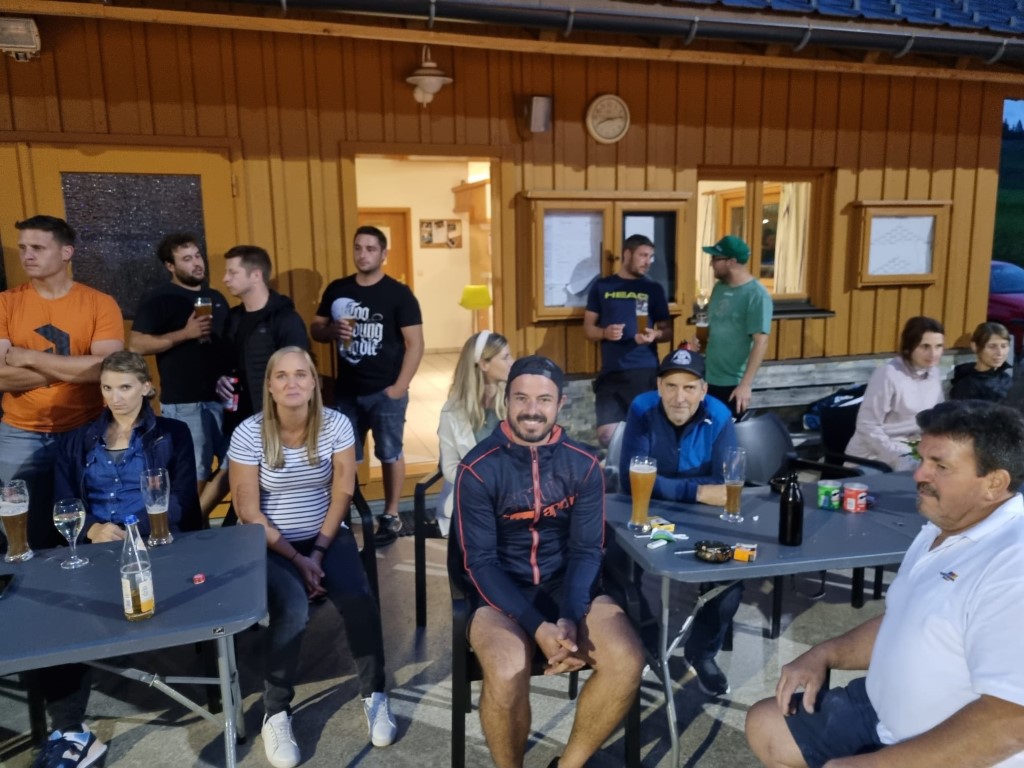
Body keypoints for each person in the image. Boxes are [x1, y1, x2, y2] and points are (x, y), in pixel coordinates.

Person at [745, 399, 1024, 768]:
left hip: (954, 749)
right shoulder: (943, 526)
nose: (919, 474)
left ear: (994, 483)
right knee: (767, 724)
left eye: (940, 466)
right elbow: (909, 617)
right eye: (922, 459)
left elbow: (1012, 721)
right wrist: (825, 653)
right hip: (878, 712)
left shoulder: (1013, 564)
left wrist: (875, 765)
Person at [455, 355, 644, 768]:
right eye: (521, 398)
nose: (532, 410)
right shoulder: (477, 469)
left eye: (543, 399)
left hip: (567, 584)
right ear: (506, 401)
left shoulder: (584, 464)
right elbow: (480, 563)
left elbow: (587, 550)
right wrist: (537, 625)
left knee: (627, 660)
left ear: (560, 404)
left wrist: (571, 616)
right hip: (500, 591)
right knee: (506, 670)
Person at [30, 350, 200, 768]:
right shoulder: (78, 440)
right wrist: (91, 528)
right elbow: (64, 502)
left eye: (125, 387)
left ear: (146, 387)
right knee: (59, 616)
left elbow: (181, 500)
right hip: (96, 547)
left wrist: (137, 529)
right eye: (107, 388)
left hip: (154, 545)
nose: (115, 397)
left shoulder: (172, 433)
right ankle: (70, 731)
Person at [228, 347, 396, 768]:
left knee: (358, 597)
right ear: (269, 385)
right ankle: (275, 712)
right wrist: (297, 559)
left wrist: (318, 551)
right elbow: (248, 512)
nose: (292, 383)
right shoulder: (248, 433)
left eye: (301, 374)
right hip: (270, 542)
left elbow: (343, 491)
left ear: (314, 383)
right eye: (282, 376)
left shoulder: (337, 424)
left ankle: (375, 693)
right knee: (293, 610)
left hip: (325, 535)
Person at [618, 347, 742, 696]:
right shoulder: (642, 408)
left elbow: (725, 485)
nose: (679, 397)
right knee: (628, 569)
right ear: (659, 387)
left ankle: (702, 653)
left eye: (689, 388)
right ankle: (643, 645)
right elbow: (631, 479)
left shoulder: (719, 415)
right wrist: (697, 491)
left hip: (702, 518)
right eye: (671, 386)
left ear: (703, 390)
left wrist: (669, 485)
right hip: (645, 510)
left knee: (732, 578)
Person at [0, 215, 124, 552]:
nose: (27, 255)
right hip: (20, 433)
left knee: (90, 523)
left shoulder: (99, 303)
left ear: (66, 252)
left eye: (38, 248)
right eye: (23, 248)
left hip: (85, 429)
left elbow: (106, 369)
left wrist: (30, 357)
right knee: (21, 533)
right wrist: (75, 366)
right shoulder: (6, 303)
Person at [310, 225, 424, 542]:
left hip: (386, 390)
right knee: (345, 458)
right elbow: (316, 328)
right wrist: (331, 331)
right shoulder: (338, 289)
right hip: (347, 391)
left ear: (383, 254)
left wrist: (399, 388)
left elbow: (415, 344)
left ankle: (391, 514)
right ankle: (343, 513)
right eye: (358, 248)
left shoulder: (399, 294)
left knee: (390, 453)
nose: (363, 254)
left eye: (371, 249)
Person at [199, 245, 309, 521]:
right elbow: (225, 362)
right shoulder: (234, 318)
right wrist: (221, 379)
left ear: (256, 275)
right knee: (235, 475)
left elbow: (301, 373)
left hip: (274, 421)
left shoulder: (284, 319)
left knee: (232, 473)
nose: (225, 279)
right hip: (238, 417)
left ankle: (189, 526)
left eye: (232, 272)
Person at [130, 233, 230, 495]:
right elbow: (136, 345)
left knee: (235, 464)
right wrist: (185, 334)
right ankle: (186, 519)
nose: (196, 263)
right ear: (170, 266)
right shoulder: (160, 298)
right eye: (186, 259)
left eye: (197, 256)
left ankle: (202, 516)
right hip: (185, 402)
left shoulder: (216, 296)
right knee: (194, 471)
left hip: (223, 399)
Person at [583, 234, 672, 448]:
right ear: (627, 254)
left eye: (650, 257)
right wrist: (605, 333)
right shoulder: (602, 286)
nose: (648, 262)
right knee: (607, 436)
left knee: (645, 432)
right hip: (611, 371)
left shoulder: (654, 289)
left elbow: (667, 331)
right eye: (643, 255)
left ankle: (640, 468)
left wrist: (655, 335)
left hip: (644, 370)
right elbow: (588, 329)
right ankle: (619, 468)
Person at [436, 330, 514, 537]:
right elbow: (449, 467)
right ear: (484, 364)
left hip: (514, 495)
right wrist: (485, 483)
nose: (512, 362)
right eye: (505, 357)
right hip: (471, 497)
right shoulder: (452, 411)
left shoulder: (515, 402)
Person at [845, 316, 945, 471]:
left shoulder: (935, 374)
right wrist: (898, 457)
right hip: (874, 456)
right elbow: (867, 426)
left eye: (938, 346)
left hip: (915, 451)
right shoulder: (888, 374)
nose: (933, 354)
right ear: (909, 347)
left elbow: (937, 420)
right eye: (925, 346)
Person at [701, 235, 773, 417]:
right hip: (708, 378)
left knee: (729, 433)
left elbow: (761, 342)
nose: (711, 264)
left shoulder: (756, 295)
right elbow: (715, 327)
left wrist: (745, 385)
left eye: (715, 259)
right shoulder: (719, 288)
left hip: (734, 383)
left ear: (731, 262)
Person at [949, 321, 1012, 402]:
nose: (1000, 353)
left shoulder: (1005, 378)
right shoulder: (967, 386)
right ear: (975, 346)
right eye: (992, 346)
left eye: (1004, 346)